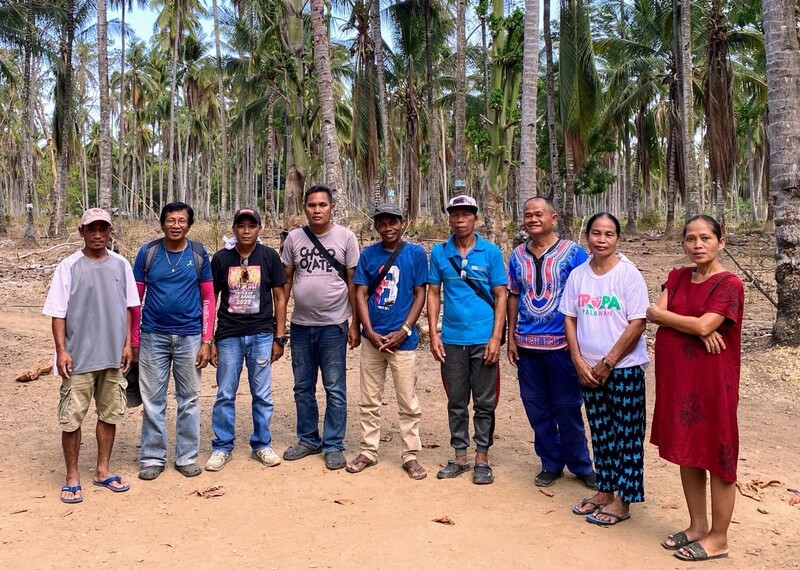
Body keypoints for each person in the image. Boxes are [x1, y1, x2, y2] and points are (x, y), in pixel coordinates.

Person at [648, 215, 744, 562]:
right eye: (691, 239)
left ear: (721, 241)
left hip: (712, 384)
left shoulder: (729, 284)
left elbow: (694, 320)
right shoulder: (676, 277)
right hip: (678, 382)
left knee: (717, 456)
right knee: (687, 451)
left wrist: (686, 323)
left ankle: (719, 537)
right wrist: (695, 327)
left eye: (705, 238)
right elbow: (653, 312)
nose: (698, 245)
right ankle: (697, 525)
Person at [43, 208, 139, 503]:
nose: (97, 234)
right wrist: (61, 351)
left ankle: (102, 470)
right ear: (81, 231)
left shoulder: (122, 265)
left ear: (111, 232)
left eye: (103, 228)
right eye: (91, 229)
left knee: (109, 415)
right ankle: (72, 476)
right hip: (78, 359)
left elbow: (128, 308)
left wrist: (126, 346)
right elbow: (58, 313)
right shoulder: (69, 266)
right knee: (71, 419)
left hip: (112, 356)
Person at [559, 213, 650, 526]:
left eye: (608, 234)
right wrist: (578, 360)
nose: (601, 239)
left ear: (618, 239)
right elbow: (569, 317)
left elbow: (638, 320)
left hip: (623, 368)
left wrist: (609, 361)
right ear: (587, 236)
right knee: (601, 432)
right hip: (588, 370)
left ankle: (623, 500)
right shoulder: (579, 275)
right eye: (596, 233)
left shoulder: (628, 275)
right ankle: (605, 489)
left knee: (627, 435)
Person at [506, 196, 595, 488]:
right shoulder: (517, 255)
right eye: (528, 215)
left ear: (553, 217)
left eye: (539, 214)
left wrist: (580, 343)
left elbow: (584, 295)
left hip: (562, 346)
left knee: (568, 406)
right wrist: (511, 338)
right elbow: (514, 295)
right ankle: (551, 462)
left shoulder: (574, 253)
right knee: (536, 406)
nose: (533, 219)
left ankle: (581, 465)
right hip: (527, 346)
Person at [132, 202, 216, 481]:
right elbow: (135, 300)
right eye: (171, 220)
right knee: (153, 400)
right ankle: (153, 457)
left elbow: (208, 299)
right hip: (153, 335)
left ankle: (187, 456)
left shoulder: (199, 253)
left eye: (181, 220)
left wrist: (206, 339)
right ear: (162, 223)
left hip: (190, 337)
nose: (176, 225)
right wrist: (134, 341)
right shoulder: (148, 253)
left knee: (189, 399)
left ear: (189, 225)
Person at [427, 195, 507, 485]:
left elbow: (501, 295)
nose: (460, 220)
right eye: (455, 215)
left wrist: (496, 337)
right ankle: (459, 455)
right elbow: (433, 292)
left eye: (466, 215)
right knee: (456, 400)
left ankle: (482, 457)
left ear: (475, 219)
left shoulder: (491, 252)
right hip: (451, 338)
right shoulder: (439, 253)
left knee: (485, 401)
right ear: (449, 218)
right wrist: (434, 332)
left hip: (483, 338)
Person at [281, 184, 360, 470]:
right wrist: (279, 324)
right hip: (301, 326)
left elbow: (354, 283)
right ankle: (308, 439)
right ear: (305, 208)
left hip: (334, 325)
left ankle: (334, 444)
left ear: (332, 208)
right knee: (303, 387)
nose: (317, 210)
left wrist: (355, 324)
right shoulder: (294, 238)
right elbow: (286, 282)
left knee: (335, 387)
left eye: (322, 205)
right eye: (312, 205)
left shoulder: (346, 238)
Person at [346, 204, 428, 480]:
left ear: (402, 223)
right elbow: (360, 292)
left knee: (407, 400)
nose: (388, 227)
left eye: (393, 222)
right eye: (382, 223)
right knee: (369, 399)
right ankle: (368, 450)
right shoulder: (368, 255)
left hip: (402, 341)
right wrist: (367, 330)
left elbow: (420, 294)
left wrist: (404, 330)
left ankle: (410, 454)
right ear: (376, 227)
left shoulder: (415, 254)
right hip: (374, 340)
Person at [204, 207, 288, 471]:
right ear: (234, 229)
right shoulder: (221, 259)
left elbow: (280, 297)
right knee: (225, 393)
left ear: (259, 229)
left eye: (252, 225)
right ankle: (222, 446)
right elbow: (210, 298)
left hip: (262, 334)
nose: (246, 230)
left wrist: (280, 336)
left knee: (262, 394)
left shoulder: (269, 256)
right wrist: (210, 340)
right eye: (241, 226)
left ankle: (262, 444)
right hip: (229, 335)